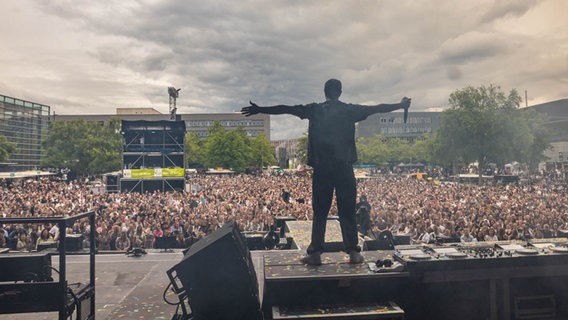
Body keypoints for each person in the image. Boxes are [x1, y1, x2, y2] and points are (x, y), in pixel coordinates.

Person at [242, 79, 411, 265]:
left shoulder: (315, 109)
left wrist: (261, 109)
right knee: (347, 210)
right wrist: (400, 105)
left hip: (322, 168)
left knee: (320, 212)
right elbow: (377, 108)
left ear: (325, 92)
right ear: (340, 91)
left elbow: (286, 108)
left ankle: (315, 253)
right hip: (344, 167)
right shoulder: (349, 110)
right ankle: (354, 252)